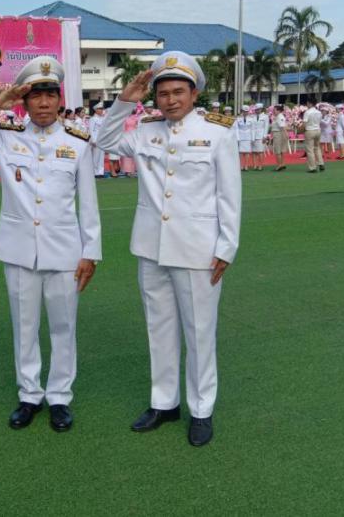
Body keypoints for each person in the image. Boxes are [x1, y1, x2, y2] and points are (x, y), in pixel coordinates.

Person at [96, 51, 241, 447]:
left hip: (198, 249)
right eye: (163, 93)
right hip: (151, 246)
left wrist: (226, 246)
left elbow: (229, 195)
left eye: (179, 92)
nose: (171, 100)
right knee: (158, 329)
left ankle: (201, 409)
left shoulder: (218, 132)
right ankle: (164, 403)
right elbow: (104, 140)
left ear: (194, 94)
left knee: (199, 332)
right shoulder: (145, 130)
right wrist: (124, 101)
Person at [0, 56, 101, 432]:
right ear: (23, 101)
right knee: (24, 326)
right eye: (35, 95)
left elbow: (88, 203)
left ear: (59, 99)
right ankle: (29, 394)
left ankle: (60, 396)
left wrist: (91, 251)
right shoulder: (5, 137)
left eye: (50, 95)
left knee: (63, 326)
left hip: (64, 250)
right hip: (19, 248)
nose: (43, 103)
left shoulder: (77, 143)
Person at [302, 99, 324, 173]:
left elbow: (304, 124)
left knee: (310, 150)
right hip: (318, 130)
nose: (307, 104)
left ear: (310, 103)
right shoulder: (319, 112)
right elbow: (320, 121)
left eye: (307, 103)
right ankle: (321, 163)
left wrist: (300, 130)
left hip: (310, 130)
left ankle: (313, 167)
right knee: (317, 148)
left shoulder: (307, 112)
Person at [88, 102, 106, 177]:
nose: (101, 110)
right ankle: (95, 172)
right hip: (95, 140)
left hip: (102, 139)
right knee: (95, 157)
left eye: (102, 109)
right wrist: (93, 140)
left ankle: (101, 172)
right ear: (96, 110)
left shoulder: (103, 119)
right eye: (100, 109)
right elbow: (91, 130)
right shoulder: (92, 119)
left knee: (101, 157)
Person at [270, 104, 289, 171]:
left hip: (279, 134)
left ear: (279, 110)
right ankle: (282, 164)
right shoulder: (278, 116)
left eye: (274, 110)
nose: (273, 111)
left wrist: (286, 134)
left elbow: (282, 127)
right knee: (281, 151)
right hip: (279, 133)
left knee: (278, 150)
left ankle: (279, 165)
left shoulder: (279, 117)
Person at [235, 105, 253, 171]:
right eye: (244, 111)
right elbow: (236, 129)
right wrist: (237, 138)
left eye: (246, 111)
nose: (245, 113)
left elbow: (252, 129)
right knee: (241, 152)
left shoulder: (251, 119)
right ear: (242, 111)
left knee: (247, 152)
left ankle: (246, 165)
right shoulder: (238, 119)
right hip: (241, 137)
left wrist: (252, 138)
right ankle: (241, 165)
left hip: (248, 137)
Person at [253, 103, 268, 171]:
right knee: (254, 151)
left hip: (261, 136)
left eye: (258, 109)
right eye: (256, 109)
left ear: (261, 109)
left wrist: (264, 136)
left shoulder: (265, 116)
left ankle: (260, 165)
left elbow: (266, 127)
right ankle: (255, 165)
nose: (257, 110)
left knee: (260, 151)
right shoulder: (253, 116)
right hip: (253, 136)